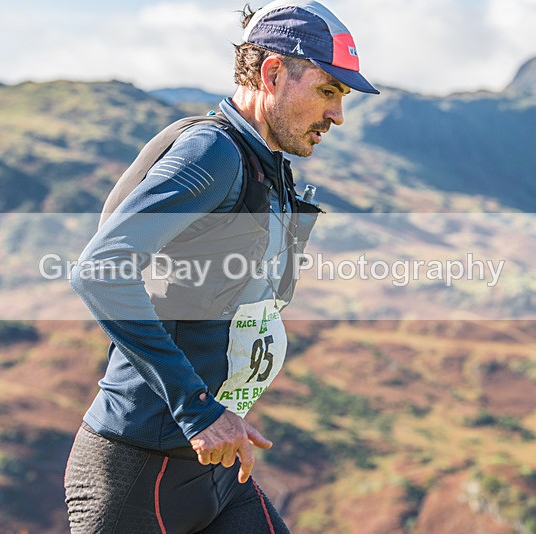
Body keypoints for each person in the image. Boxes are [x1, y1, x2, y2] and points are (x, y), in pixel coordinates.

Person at [64, 1, 378, 532]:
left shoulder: (265, 162)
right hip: (141, 474)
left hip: (215, 470)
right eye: (328, 91)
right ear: (273, 73)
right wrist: (199, 409)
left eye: (341, 97)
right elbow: (101, 267)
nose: (337, 115)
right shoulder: (213, 152)